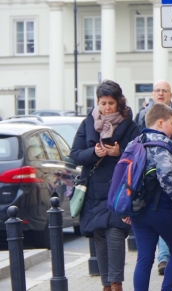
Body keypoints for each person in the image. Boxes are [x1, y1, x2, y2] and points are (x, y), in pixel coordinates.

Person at [70, 80, 140, 291]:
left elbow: (139, 153)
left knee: (116, 233)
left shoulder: (130, 124)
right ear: (97, 102)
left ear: (119, 102)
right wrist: (94, 153)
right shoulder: (88, 123)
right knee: (99, 235)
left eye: (111, 103)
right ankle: (106, 284)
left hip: (119, 188)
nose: (107, 107)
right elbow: (75, 155)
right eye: (103, 103)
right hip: (94, 190)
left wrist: (120, 153)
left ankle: (116, 283)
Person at [134, 80, 172, 275]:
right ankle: (164, 264)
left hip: (145, 199)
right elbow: (164, 176)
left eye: (165, 91)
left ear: (171, 95)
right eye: (157, 90)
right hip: (159, 195)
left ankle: (162, 258)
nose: (160, 93)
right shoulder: (145, 121)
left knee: (144, 256)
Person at [125, 103, 172, 291]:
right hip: (161, 208)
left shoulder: (134, 143)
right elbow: (166, 176)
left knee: (144, 258)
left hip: (137, 209)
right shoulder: (163, 144)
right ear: (160, 123)